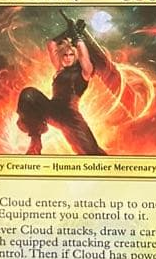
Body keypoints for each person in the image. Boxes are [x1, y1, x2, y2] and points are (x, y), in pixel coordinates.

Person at [15, 14, 108, 156]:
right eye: (65, 55)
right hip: (52, 109)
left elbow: (84, 56)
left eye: (71, 55)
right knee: (29, 94)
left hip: (71, 118)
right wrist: (68, 31)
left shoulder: (85, 71)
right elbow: (51, 44)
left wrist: (77, 36)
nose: (68, 58)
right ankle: (35, 141)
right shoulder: (60, 69)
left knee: (91, 153)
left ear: (76, 56)